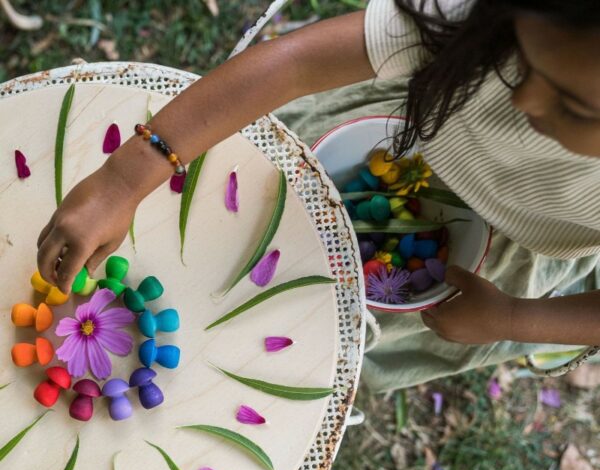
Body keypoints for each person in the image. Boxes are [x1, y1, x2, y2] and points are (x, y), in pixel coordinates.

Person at [36, 0, 600, 391]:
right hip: (391, 132)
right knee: (223, 235)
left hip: (503, 257)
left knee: (312, 332)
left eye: (575, 105)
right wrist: (126, 178)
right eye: (522, 57)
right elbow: (298, 63)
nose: (524, 99)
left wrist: (509, 318)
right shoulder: (498, 16)